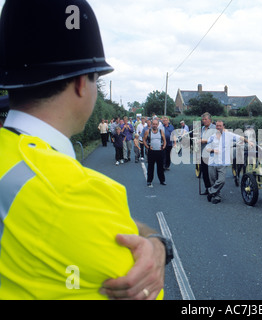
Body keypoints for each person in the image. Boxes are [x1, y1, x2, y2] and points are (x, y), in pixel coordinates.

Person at [0, 0, 172, 300]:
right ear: (82, 84)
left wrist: (154, 241)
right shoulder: (75, 192)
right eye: (96, 78)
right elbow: (145, 290)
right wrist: (159, 244)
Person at [205, 120, 253, 204]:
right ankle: (217, 197)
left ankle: (210, 191)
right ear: (215, 126)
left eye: (220, 125)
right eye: (217, 126)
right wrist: (213, 150)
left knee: (221, 181)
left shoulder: (229, 135)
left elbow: (240, 137)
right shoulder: (212, 137)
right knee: (213, 181)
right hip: (212, 162)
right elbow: (207, 148)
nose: (218, 127)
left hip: (222, 163)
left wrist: (249, 141)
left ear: (223, 126)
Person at [144, 119, 166, 187]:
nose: (155, 125)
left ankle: (162, 180)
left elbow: (164, 140)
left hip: (159, 152)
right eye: (153, 124)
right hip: (151, 152)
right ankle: (149, 181)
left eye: (156, 124)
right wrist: (147, 147)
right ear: (151, 124)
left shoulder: (161, 131)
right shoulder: (148, 131)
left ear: (158, 124)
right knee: (150, 167)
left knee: (160, 167)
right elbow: (144, 140)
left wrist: (163, 147)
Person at [199, 112, 216, 195]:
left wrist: (204, 140)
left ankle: (214, 190)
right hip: (203, 153)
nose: (204, 121)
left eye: (205, 119)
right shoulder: (202, 128)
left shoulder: (214, 128)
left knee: (212, 174)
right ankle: (207, 188)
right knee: (204, 172)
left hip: (211, 154)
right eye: (203, 119)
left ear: (210, 120)